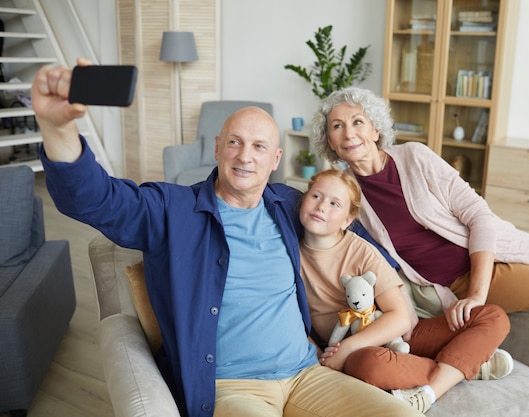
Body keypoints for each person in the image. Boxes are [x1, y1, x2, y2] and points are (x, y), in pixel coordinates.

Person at [30, 60, 422, 417]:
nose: (245, 156)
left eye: (259, 147)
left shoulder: (290, 205)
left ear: (275, 159)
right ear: (217, 147)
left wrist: (414, 280)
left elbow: (352, 229)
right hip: (232, 387)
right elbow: (97, 201)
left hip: (308, 374)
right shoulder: (172, 209)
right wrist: (57, 127)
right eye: (234, 142)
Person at [308, 86, 529, 417]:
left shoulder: (415, 157)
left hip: (501, 248)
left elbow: (478, 214)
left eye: (358, 121)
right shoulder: (345, 195)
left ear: (376, 129)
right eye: (337, 126)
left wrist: (478, 294)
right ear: (329, 141)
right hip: (459, 278)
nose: (349, 133)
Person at [298, 169, 513, 413]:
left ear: (348, 219)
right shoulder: (288, 252)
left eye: (334, 203)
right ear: (304, 199)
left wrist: (348, 347)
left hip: (399, 337)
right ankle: (465, 364)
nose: (322, 207)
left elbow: (399, 318)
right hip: (362, 354)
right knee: (369, 365)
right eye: (316, 196)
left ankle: (435, 387)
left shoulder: (361, 251)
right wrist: (322, 353)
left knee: (492, 317)